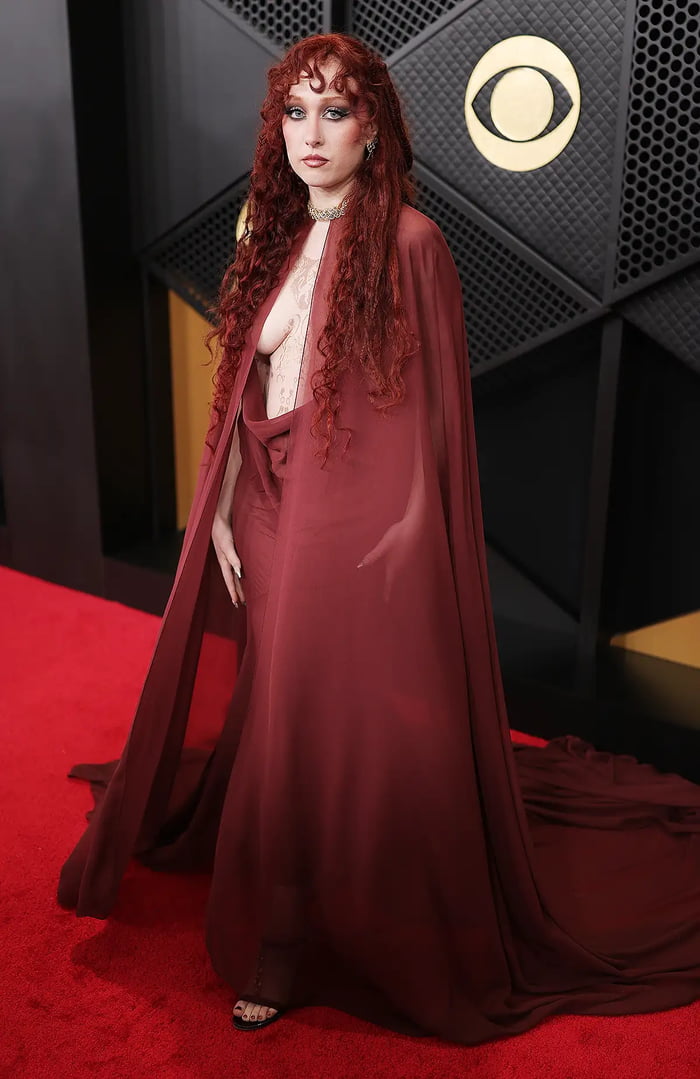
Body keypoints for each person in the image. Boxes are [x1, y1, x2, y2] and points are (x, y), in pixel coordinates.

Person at [58, 32, 700, 1044]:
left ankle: (283, 939)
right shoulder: (271, 230)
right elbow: (246, 384)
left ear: (374, 129)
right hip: (264, 502)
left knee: (307, 715)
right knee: (281, 702)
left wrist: (409, 523)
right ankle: (293, 895)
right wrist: (218, 504)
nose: (312, 133)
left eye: (337, 111)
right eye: (296, 111)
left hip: (348, 509)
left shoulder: (410, 240)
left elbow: (435, 408)